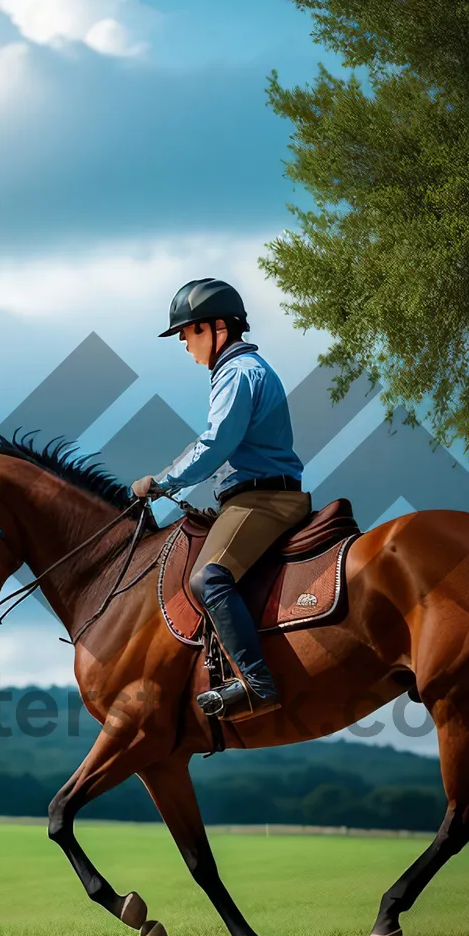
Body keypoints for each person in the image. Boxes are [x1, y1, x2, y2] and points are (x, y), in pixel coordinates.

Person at [131, 278, 311, 722]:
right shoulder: (241, 370)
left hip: (263, 501)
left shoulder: (236, 372)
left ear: (218, 328)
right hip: (248, 497)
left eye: (188, 332)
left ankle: (256, 682)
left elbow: (217, 444)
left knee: (208, 578)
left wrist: (163, 482)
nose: (184, 344)